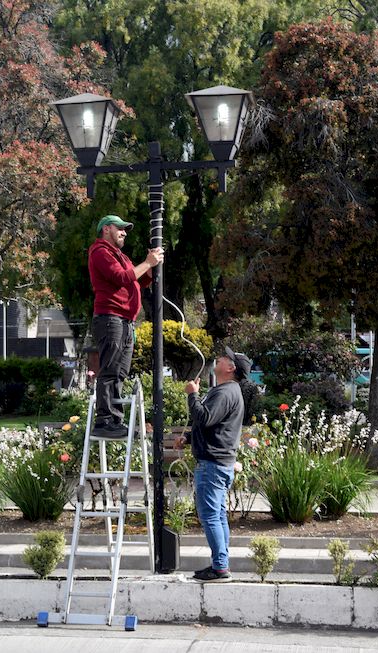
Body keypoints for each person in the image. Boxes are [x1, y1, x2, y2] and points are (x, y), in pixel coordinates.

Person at [177, 346, 251, 583]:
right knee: (217, 515)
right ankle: (220, 564)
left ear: (231, 368)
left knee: (210, 516)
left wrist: (192, 394)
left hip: (212, 464)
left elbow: (205, 417)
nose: (218, 358)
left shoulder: (226, 392)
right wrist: (189, 437)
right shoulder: (226, 390)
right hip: (218, 463)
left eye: (224, 358)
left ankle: (220, 568)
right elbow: (213, 423)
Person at [88, 214, 163, 438]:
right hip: (110, 317)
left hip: (124, 321)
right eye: (120, 228)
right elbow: (122, 278)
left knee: (120, 372)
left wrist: (150, 270)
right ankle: (104, 421)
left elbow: (136, 279)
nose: (124, 232)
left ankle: (115, 419)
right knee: (110, 369)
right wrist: (147, 263)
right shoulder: (100, 251)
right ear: (106, 229)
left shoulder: (120, 255)